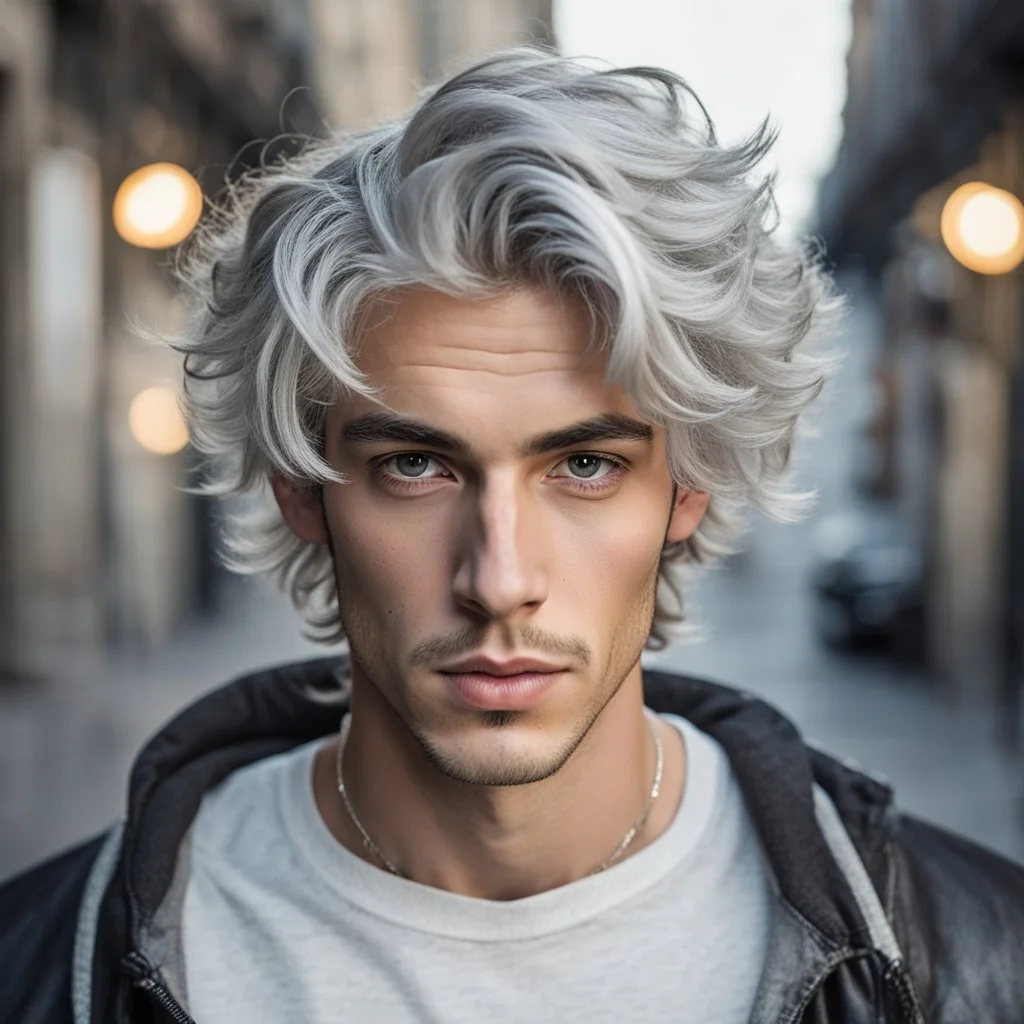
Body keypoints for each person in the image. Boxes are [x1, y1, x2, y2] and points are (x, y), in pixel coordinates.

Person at [2, 47, 1022, 1024]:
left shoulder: (974, 961)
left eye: (584, 465)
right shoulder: (44, 966)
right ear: (301, 490)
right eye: (415, 464)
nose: (498, 579)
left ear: (689, 487)